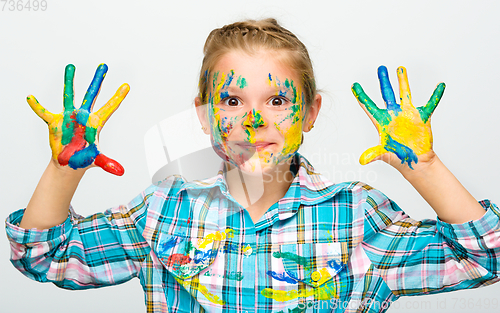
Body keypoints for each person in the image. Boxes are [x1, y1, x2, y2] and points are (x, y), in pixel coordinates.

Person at [6, 18, 500, 313]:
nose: (254, 119)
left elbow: (487, 258)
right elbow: (44, 256)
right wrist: (63, 168)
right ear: (205, 114)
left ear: (309, 113)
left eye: (277, 99)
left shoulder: (359, 216)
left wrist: (425, 166)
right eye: (234, 100)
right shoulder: (165, 211)